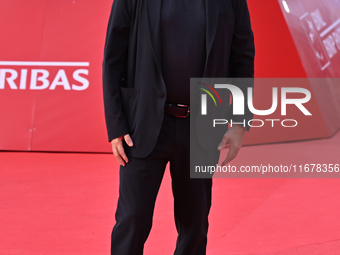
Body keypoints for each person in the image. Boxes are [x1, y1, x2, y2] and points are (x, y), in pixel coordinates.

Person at [102, 0, 255, 254]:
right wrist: (116, 124)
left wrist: (239, 121)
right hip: (143, 126)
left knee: (194, 226)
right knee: (133, 221)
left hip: (202, 129)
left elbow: (242, 57)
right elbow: (112, 59)